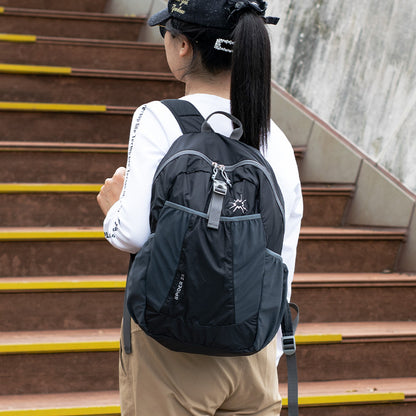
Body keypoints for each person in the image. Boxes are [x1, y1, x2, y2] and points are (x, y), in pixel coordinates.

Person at [97, 0, 303, 415]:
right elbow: (284, 252)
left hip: (172, 347)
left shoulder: (158, 118)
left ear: (184, 46)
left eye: (167, 33)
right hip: (253, 350)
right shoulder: (274, 136)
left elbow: (132, 233)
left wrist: (112, 208)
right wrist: (267, 352)